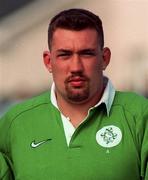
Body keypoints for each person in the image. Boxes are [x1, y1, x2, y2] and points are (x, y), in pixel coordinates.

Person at [0, 8, 147, 180]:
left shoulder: (140, 116)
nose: (76, 67)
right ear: (48, 61)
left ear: (104, 58)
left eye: (86, 54)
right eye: (65, 55)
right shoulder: (15, 123)